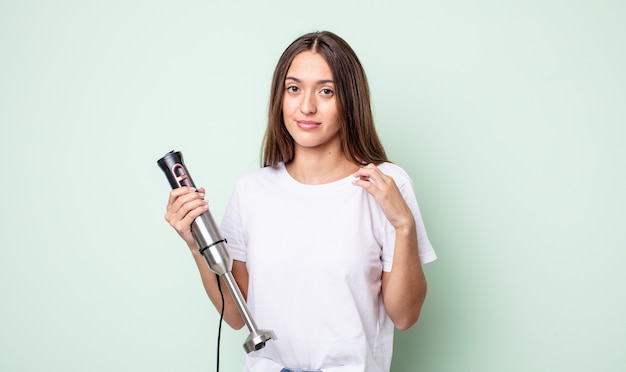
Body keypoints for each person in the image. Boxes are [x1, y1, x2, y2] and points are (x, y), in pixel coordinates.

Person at [165, 31, 437, 372]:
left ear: (349, 100)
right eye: (294, 88)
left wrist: (404, 225)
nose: (306, 106)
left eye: (326, 91)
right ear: (280, 97)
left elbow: (406, 315)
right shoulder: (252, 190)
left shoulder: (387, 184)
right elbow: (236, 317)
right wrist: (196, 247)